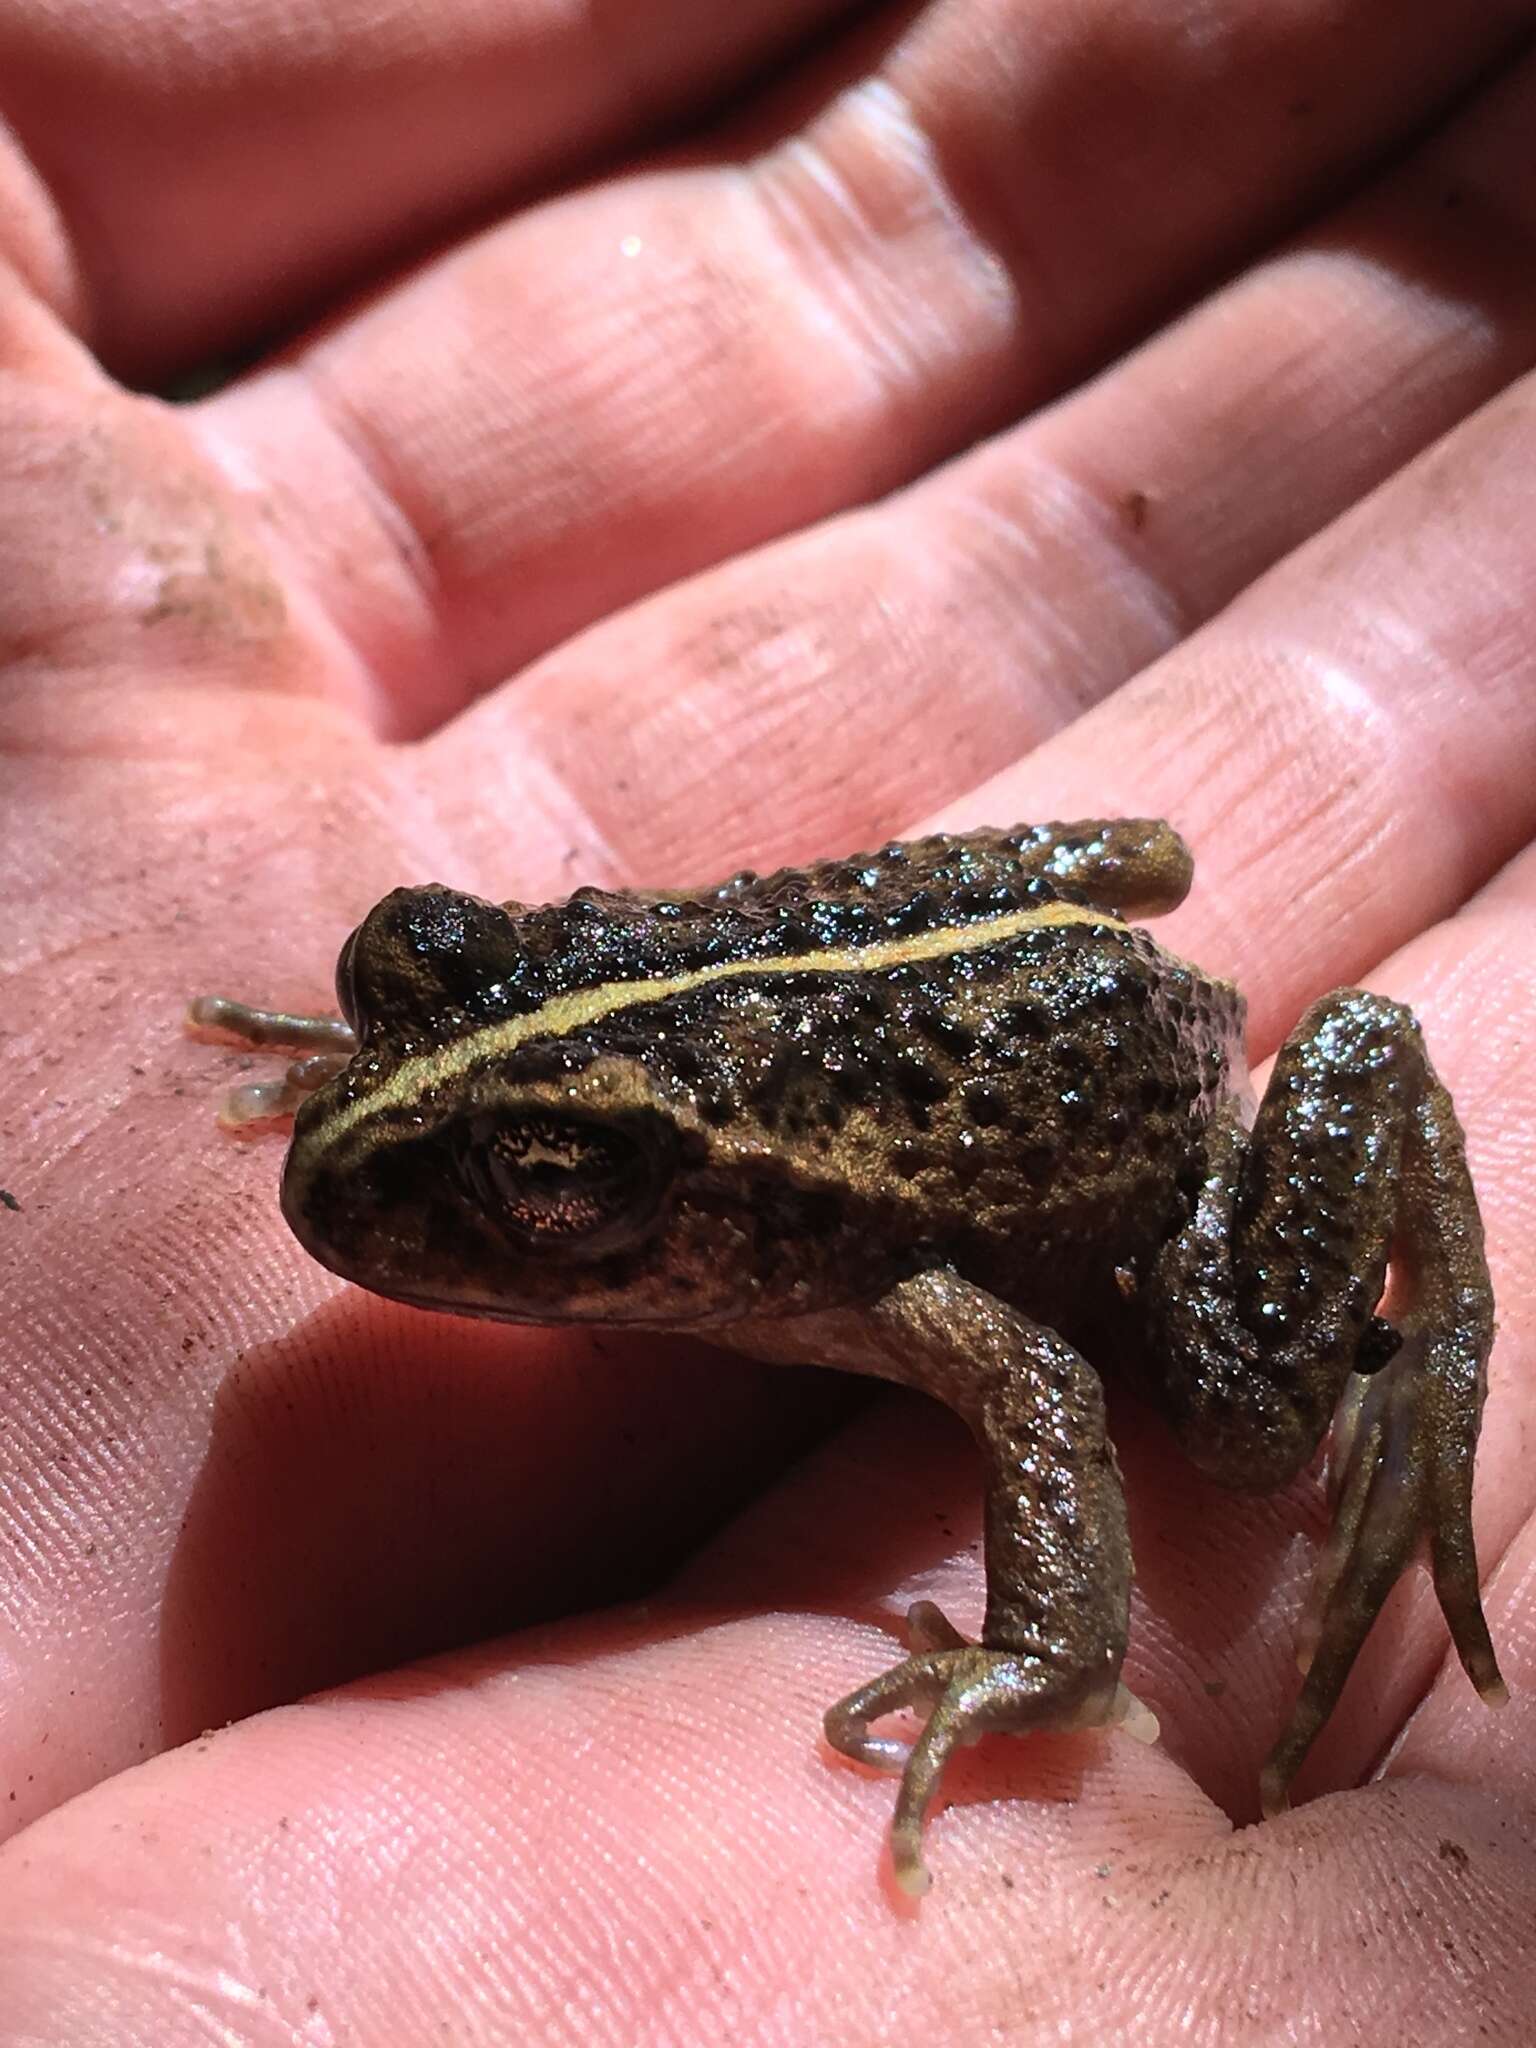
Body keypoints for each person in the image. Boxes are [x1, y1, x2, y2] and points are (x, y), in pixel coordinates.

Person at [1, 0, 1532, 2037]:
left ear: (693, 1207)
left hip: (1153, 1143)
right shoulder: (640, 1112)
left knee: (1247, 1417)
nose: (419, 1162)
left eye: (542, 1176)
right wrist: (424, 1059)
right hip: (910, 977)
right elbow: (520, 1019)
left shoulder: (877, 1268)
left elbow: (1050, 1394)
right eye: (409, 991)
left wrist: (1049, 1649)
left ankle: (1433, 1350)